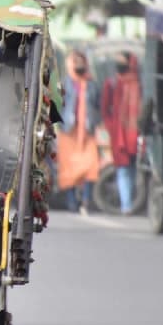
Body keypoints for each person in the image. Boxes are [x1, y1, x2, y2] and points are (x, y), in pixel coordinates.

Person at [57, 50, 100, 215]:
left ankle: (86, 200)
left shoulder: (92, 84)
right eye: (76, 62)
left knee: (90, 166)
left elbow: (98, 104)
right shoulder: (65, 83)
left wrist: (95, 120)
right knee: (69, 168)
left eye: (81, 62)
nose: (79, 66)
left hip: (87, 130)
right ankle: (72, 202)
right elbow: (58, 104)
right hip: (68, 130)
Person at [101, 52, 141, 213]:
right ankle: (127, 205)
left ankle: (131, 202)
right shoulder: (111, 83)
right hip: (119, 134)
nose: (119, 64)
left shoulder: (139, 84)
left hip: (136, 133)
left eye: (122, 61)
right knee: (123, 169)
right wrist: (111, 126)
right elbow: (105, 109)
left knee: (134, 169)